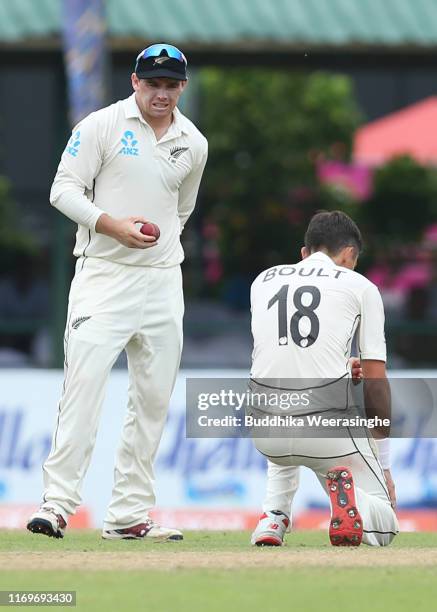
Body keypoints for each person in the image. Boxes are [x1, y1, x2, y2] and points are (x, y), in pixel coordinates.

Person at [27, 43, 208, 541]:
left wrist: (153, 244)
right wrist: (110, 225)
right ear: (134, 82)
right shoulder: (100, 126)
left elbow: (182, 210)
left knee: (152, 401)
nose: (162, 94)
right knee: (83, 389)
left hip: (163, 281)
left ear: (182, 88)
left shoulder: (194, 142)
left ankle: (129, 516)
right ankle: (56, 505)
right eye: (153, 84)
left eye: (171, 85)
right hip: (104, 275)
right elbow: (62, 190)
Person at [249, 211, 399, 547]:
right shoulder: (360, 286)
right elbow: (376, 378)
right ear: (349, 255)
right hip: (325, 435)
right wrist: (383, 462)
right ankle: (348, 498)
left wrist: (343, 370)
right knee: (385, 526)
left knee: (286, 392)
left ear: (304, 253)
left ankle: (272, 517)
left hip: (265, 435)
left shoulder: (263, 280)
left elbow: (285, 356)